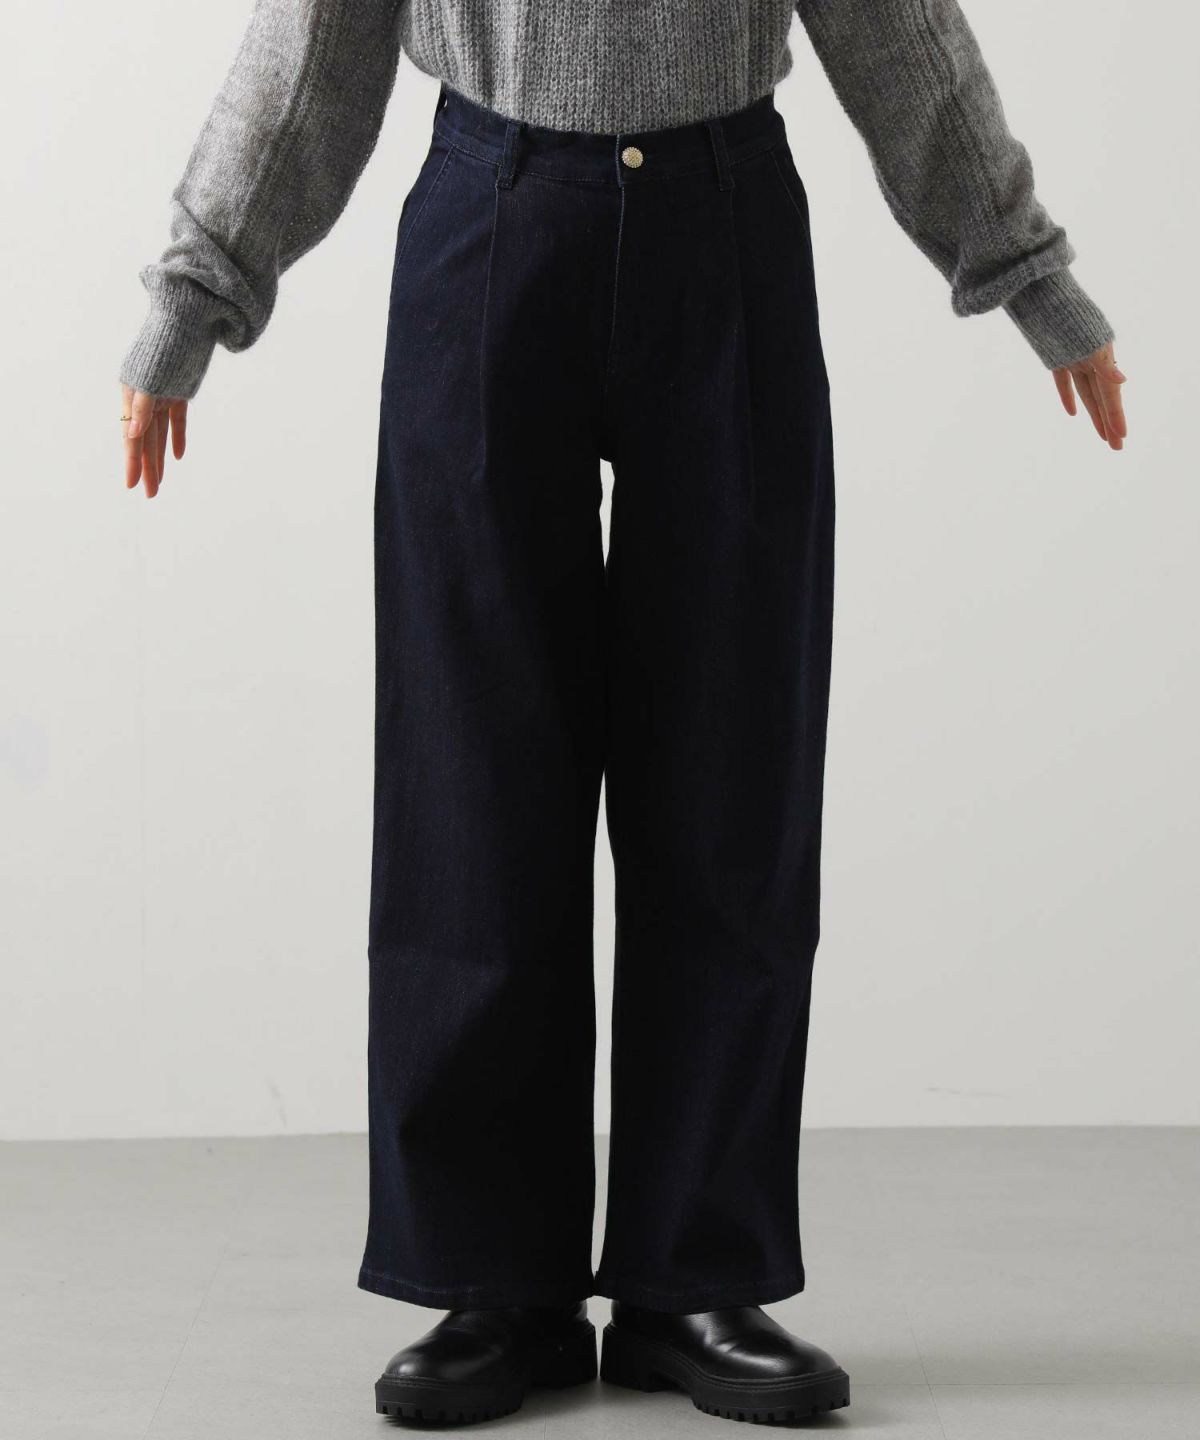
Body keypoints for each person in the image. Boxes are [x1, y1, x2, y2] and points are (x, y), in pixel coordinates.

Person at [117, 0, 1127, 1426]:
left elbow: (892, 27)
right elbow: (316, 43)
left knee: (731, 769)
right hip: (487, 213)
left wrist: (1024, 268)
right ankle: (496, 1283)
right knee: (471, 778)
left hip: (725, 225)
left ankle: (690, 1280)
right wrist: (196, 288)